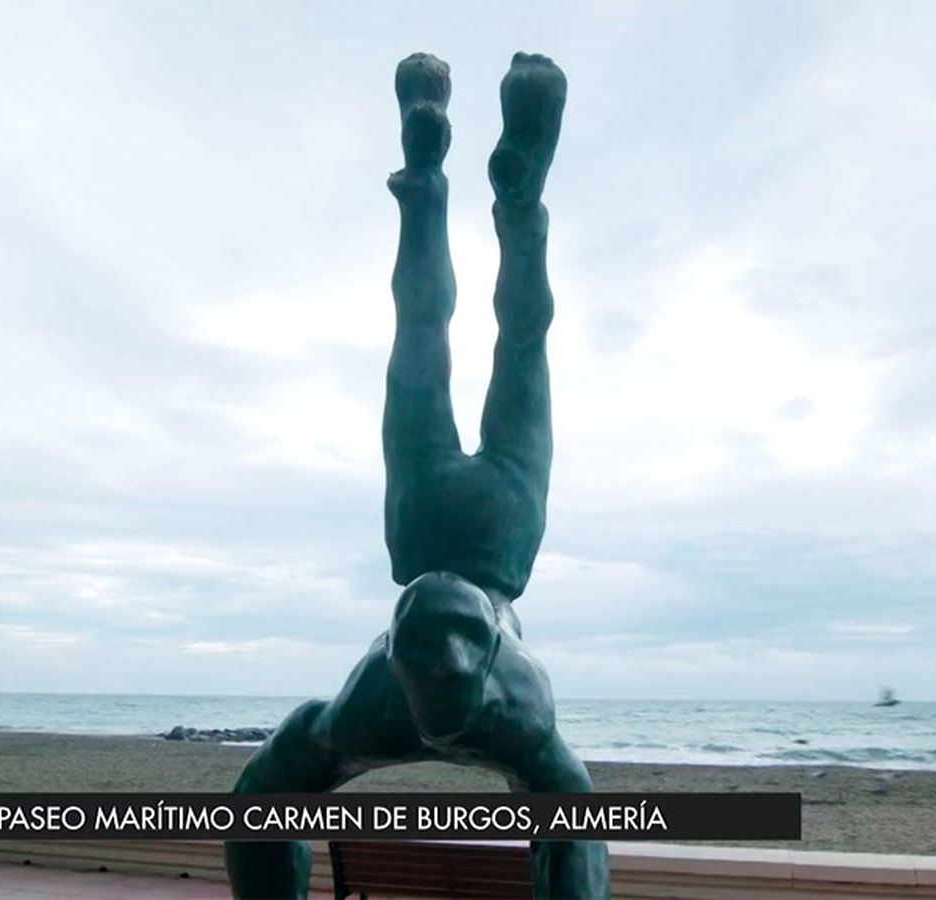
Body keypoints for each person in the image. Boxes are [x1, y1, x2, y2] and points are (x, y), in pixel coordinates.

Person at [226, 53, 608, 900]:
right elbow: (571, 826)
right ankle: (492, 189)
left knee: (460, 338)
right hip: (452, 520)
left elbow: (262, 794)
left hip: (488, 518)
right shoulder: (516, 709)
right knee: (461, 338)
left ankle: (457, 180)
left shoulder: (374, 702)